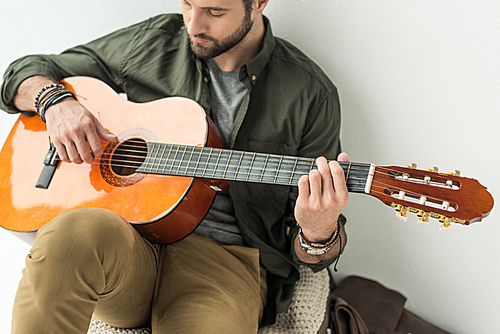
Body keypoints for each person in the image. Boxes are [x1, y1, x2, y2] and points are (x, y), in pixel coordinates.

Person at [0, 0, 349, 333]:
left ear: (258, 3)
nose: (194, 25)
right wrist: (55, 103)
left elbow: (311, 255)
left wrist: (318, 231)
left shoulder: (309, 94)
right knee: (70, 232)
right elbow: (23, 73)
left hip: (223, 265)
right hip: (129, 239)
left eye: (214, 10)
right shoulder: (154, 42)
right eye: (187, 5)